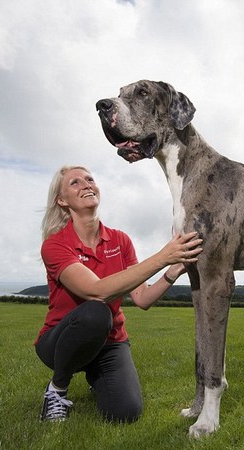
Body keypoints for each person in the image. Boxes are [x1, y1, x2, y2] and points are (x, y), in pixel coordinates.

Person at [34, 165, 202, 423]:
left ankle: (96, 377)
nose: (87, 184)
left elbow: (142, 299)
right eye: (75, 183)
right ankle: (57, 389)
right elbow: (95, 291)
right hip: (59, 342)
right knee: (96, 312)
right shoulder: (55, 245)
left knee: (125, 413)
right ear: (61, 200)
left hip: (110, 342)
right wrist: (163, 256)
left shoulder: (120, 240)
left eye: (90, 179)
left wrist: (173, 269)